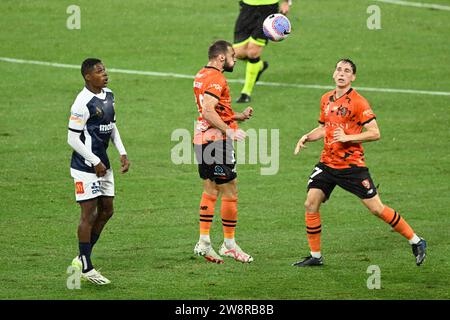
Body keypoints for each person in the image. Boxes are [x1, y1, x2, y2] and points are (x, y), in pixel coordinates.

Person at [292, 59, 427, 267]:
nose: (342, 73)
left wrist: (348, 138)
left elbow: (375, 133)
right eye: (339, 69)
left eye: (347, 71)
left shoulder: (358, 102)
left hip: (352, 167)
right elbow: (324, 128)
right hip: (327, 164)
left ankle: (416, 241)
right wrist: (306, 137)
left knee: (376, 209)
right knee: (311, 203)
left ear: (353, 77)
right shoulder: (326, 99)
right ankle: (316, 256)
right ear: (333, 74)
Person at [68, 58, 130, 284]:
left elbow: (111, 126)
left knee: (107, 210)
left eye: (104, 70)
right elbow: (72, 138)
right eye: (99, 71)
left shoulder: (109, 95)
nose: (105, 74)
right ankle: (86, 266)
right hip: (85, 167)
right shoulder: (81, 103)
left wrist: (121, 151)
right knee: (88, 214)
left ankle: (82, 256)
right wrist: (93, 160)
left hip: (104, 165)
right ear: (87, 77)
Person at [192, 40, 254, 264]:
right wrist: (230, 130)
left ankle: (204, 241)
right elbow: (209, 110)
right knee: (230, 191)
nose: (235, 59)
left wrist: (238, 116)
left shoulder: (201, 74)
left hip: (201, 139)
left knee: (211, 189)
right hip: (217, 143)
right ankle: (229, 244)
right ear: (221, 58)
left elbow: (212, 109)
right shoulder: (217, 78)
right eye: (232, 56)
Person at [233, 0, 292, 103]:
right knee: (238, 53)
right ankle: (259, 66)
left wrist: (286, 2)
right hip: (247, 7)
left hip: (268, 8)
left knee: (253, 52)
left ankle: (246, 93)